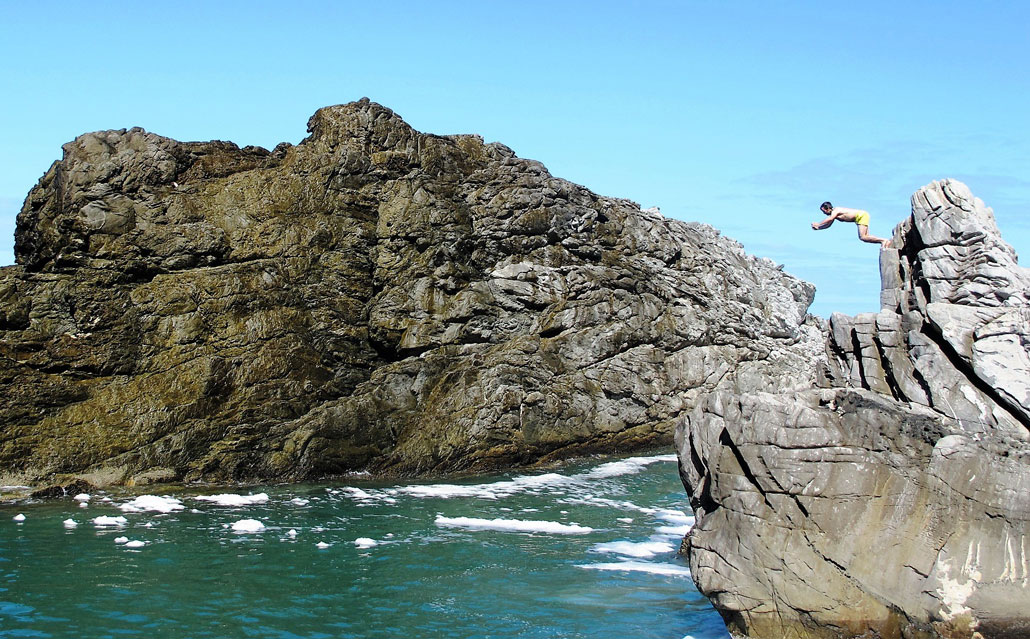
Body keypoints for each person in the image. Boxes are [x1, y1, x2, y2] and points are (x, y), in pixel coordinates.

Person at [811, 201, 891, 248]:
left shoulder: (836, 210)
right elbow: (828, 225)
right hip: (862, 216)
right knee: (865, 237)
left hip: (861, 216)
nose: (823, 213)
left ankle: (883, 240)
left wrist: (818, 223)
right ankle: (883, 241)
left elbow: (830, 219)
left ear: (828, 208)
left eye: (823, 211)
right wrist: (818, 228)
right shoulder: (833, 215)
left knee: (863, 237)